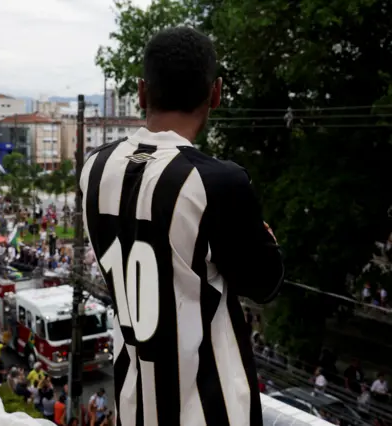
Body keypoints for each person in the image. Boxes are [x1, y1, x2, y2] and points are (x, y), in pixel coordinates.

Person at [80, 27, 284, 426]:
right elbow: (265, 282)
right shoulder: (220, 182)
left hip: (135, 406)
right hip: (214, 412)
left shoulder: (95, 167)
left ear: (141, 92)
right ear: (216, 93)